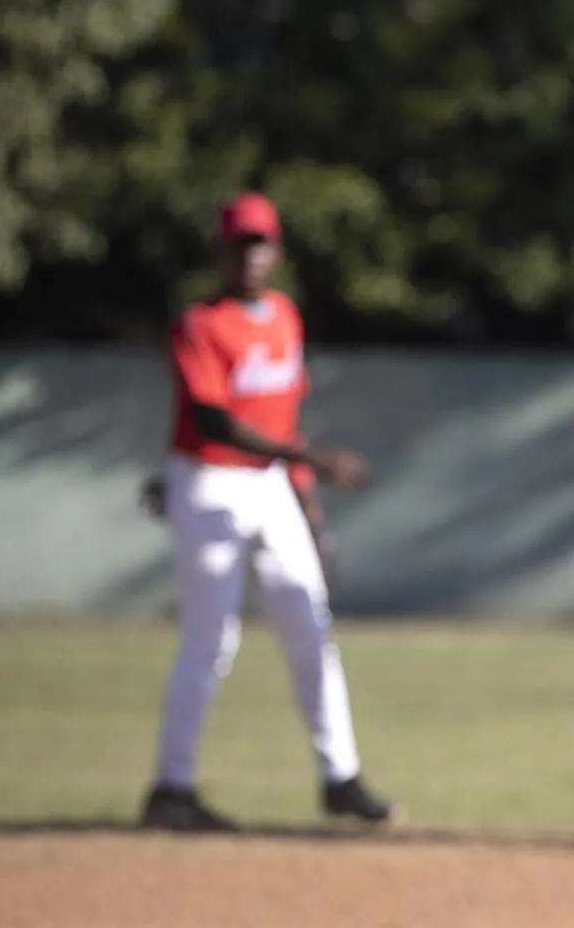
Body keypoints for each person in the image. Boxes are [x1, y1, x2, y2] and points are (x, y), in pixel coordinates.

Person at [140, 192, 397, 833]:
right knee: (210, 640)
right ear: (220, 251)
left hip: (273, 483)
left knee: (310, 624)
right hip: (208, 482)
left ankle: (340, 778)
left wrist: (307, 501)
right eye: (239, 244)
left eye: (261, 243)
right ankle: (171, 789)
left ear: (276, 251)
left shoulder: (283, 316)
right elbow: (210, 417)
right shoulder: (198, 323)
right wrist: (302, 457)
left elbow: (283, 417)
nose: (250, 255)